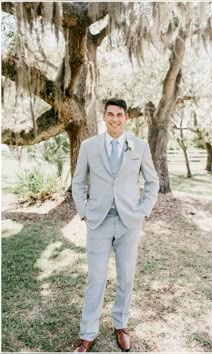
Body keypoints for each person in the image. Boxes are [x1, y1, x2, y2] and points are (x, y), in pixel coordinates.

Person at [72, 98, 159, 352]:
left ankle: (121, 325)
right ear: (104, 116)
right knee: (96, 279)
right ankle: (87, 333)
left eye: (119, 115)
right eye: (110, 114)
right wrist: (84, 211)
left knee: (126, 278)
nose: (114, 119)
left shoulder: (139, 146)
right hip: (98, 221)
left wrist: (142, 211)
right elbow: (78, 182)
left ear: (126, 118)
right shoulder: (89, 146)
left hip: (128, 222)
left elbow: (152, 182)